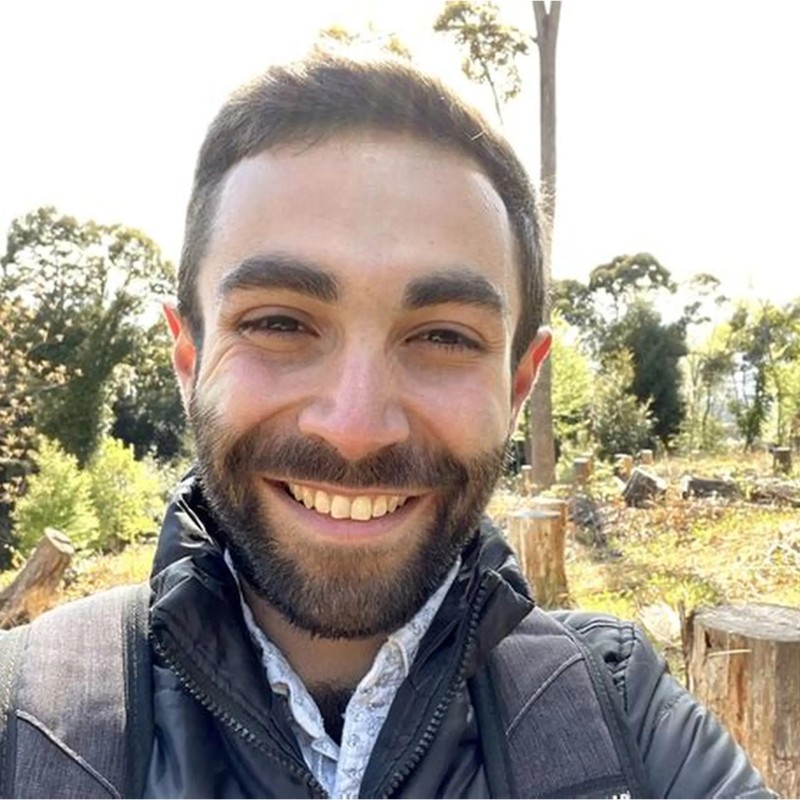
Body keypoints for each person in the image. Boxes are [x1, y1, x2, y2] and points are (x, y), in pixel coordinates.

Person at [0, 54, 774, 799]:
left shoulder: (627, 723)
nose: (356, 427)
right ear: (188, 357)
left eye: (443, 336)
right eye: (279, 323)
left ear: (519, 383)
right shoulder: (22, 722)